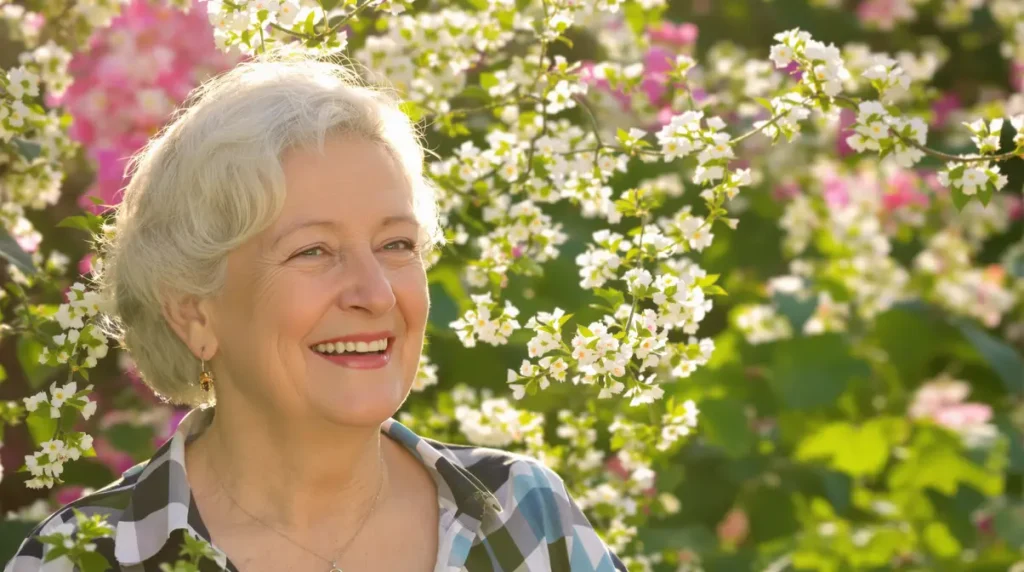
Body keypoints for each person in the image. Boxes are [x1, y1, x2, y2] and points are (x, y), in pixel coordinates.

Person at [5, 50, 627, 572]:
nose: (376, 293)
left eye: (396, 245)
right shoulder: (80, 557)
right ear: (194, 312)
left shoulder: (525, 517)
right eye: (313, 251)